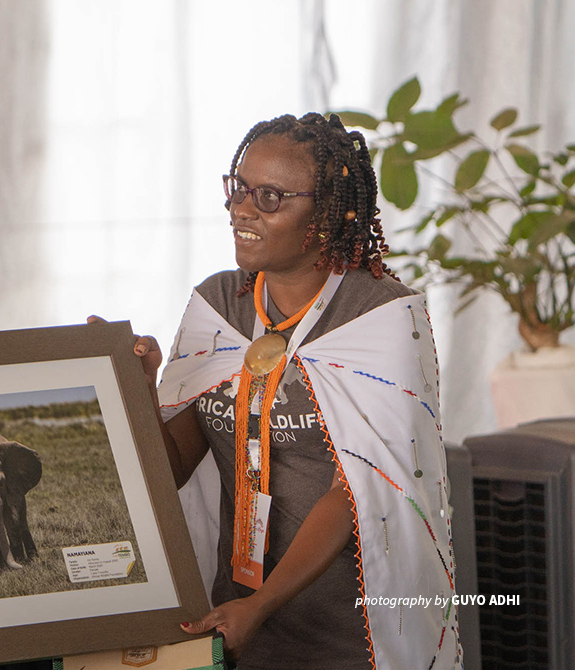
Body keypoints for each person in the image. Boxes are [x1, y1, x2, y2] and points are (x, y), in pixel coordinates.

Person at [127, 113, 460, 668]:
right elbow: (176, 465)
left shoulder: (381, 317)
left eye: (271, 196)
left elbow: (355, 491)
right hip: (231, 620)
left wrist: (263, 604)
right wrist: (137, 392)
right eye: (239, 187)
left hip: (352, 634)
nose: (241, 208)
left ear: (328, 214)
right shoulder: (219, 306)